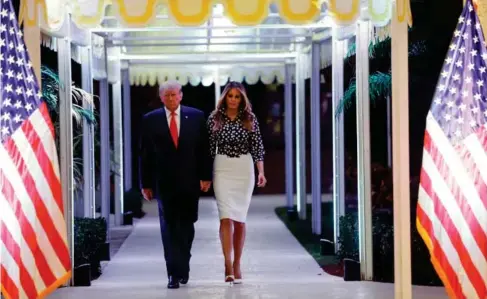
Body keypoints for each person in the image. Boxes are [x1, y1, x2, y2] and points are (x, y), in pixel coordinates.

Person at [138, 80, 212, 289]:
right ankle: (173, 273)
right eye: (166, 95)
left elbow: (204, 150)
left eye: (174, 95)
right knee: (168, 228)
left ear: (181, 95)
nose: (171, 99)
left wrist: (206, 177)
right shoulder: (150, 120)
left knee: (186, 226)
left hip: (189, 182)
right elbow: (144, 154)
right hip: (164, 184)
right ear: (161, 97)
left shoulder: (196, 116)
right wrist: (146, 183)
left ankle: (183, 264)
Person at [207, 81, 267, 285]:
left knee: (240, 220)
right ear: (225, 97)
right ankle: (227, 265)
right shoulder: (214, 118)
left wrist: (261, 172)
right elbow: (208, 150)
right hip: (222, 168)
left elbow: (258, 147)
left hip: (244, 168)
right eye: (230, 96)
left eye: (237, 96)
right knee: (226, 218)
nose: (233, 99)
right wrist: (205, 177)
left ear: (242, 98)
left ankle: (238, 262)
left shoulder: (250, 118)